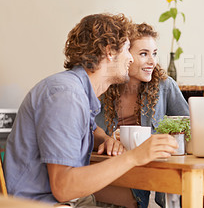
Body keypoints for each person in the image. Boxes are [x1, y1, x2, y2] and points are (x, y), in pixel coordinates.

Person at [4, 13, 178, 207]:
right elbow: (64, 188)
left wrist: (105, 139)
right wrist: (134, 156)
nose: (130, 59)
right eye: (128, 49)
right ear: (110, 51)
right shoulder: (66, 96)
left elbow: (89, 128)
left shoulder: (78, 92)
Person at [95, 23, 189, 207]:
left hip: (150, 172)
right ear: (126, 56)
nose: (152, 61)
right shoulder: (103, 86)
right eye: (143, 54)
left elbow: (188, 125)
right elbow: (88, 128)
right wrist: (107, 140)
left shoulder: (164, 85)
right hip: (108, 168)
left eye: (154, 53)